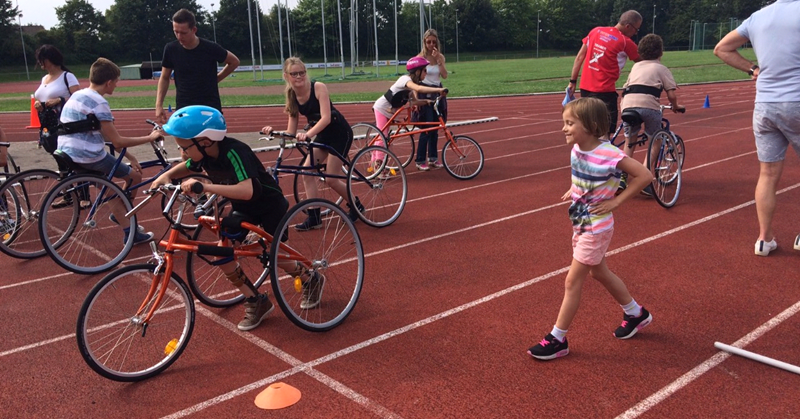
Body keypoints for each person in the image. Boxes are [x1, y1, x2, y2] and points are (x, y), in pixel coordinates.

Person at [151, 105, 324, 331]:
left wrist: (205, 186)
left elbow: (248, 190)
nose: (180, 151)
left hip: (269, 206)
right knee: (222, 252)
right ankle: (255, 300)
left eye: (183, 146)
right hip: (243, 208)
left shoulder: (234, 151)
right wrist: (164, 177)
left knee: (275, 256)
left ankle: (310, 278)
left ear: (205, 141)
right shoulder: (204, 156)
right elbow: (187, 165)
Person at [527, 97, 654, 361]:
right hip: (581, 221)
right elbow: (584, 175)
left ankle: (557, 339)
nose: (564, 128)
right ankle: (635, 313)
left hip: (596, 226)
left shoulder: (609, 154)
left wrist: (617, 201)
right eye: (564, 122)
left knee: (572, 281)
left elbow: (645, 175)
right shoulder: (577, 149)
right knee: (600, 272)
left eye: (570, 123)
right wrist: (574, 189)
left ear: (590, 125)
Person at [714, 1, 800, 257]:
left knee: (768, 174)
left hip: (765, 104)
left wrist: (753, 68)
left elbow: (721, 48)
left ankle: (764, 239)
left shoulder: (758, 17)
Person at [57, 58, 161, 245]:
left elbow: (108, 138)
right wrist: (151, 137)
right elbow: (117, 140)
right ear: (109, 82)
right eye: (116, 82)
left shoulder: (78, 95)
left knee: (108, 189)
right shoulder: (99, 102)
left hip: (68, 152)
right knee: (133, 178)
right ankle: (129, 225)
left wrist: (130, 156)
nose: (116, 85)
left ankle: (121, 216)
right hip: (89, 156)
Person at [260, 57, 362, 230]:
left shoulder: (318, 87)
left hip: (339, 133)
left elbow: (326, 118)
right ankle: (314, 217)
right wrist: (274, 132)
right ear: (286, 76)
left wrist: (307, 134)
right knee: (306, 173)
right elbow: (291, 132)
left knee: (331, 178)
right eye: (294, 74)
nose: (299, 76)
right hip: (322, 135)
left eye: (302, 72)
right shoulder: (292, 95)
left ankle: (356, 206)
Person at [618, 33, 685, 193]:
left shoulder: (635, 66)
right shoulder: (661, 68)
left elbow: (625, 88)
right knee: (656, 140)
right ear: (660, 52)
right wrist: (675, 106)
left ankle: (622, 177)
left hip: (627, 106)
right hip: (649, 107)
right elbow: (671, 94)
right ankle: (645, 178)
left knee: (629, 142)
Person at [155, 8, 240, 123]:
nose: (179, 36)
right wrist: (159, 105)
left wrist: (217, 78)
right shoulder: (171, 49)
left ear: (194, 29)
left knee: (211, 141)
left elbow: (234, 62)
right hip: (184, 106)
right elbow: (164, 77)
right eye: (176, 32)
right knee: (185, 140)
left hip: (209, 106)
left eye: (183, 33)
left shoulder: (210, 48)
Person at [567, 10, 642, 137]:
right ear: (628, 26)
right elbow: (643, 62)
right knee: (604, 133)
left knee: (588, 128)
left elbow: (580, 57)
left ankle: (585, 155)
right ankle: (602, 156)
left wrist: (572, 81)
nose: (635, 33)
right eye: (636, 30)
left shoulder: (596, 31)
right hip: (604, 92)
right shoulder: (625, 42)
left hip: (585, 88)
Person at [372, 56, 447, 171]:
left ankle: (375, 161)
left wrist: (427, 101)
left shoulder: (410, 85)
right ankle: (378, 167)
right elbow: (419, 88)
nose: (426, 73)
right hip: (382, 108)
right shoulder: (405, 80)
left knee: (384, 137)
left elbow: (414, 101)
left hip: (390, 112)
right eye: (424, 70)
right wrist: (438, 90)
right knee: (382, 137)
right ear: (417, 71)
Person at [33, 45, 80, 153]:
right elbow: (42, 96)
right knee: (53, 150)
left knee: (64, 153)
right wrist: (38, 103)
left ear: (51, 59)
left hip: (63, 123)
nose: (39, 62)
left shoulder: (68, 76)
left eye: (42, 59)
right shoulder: (44, 78)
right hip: (47, 123)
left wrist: (60, 100)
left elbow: (78, 99)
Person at [415, 29, 449, 170]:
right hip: (425, 93)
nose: (431, 44)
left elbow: (445, 75)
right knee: (426, 128)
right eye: (428, 42)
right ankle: (420, 159)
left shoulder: (440, 57)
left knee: (436, 127)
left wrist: (439, 61)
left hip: (437, 93)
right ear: (424, 42)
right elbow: (415, 81)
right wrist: (416, 100)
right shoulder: (420, 58)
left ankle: (433, 158)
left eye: (433, 42)